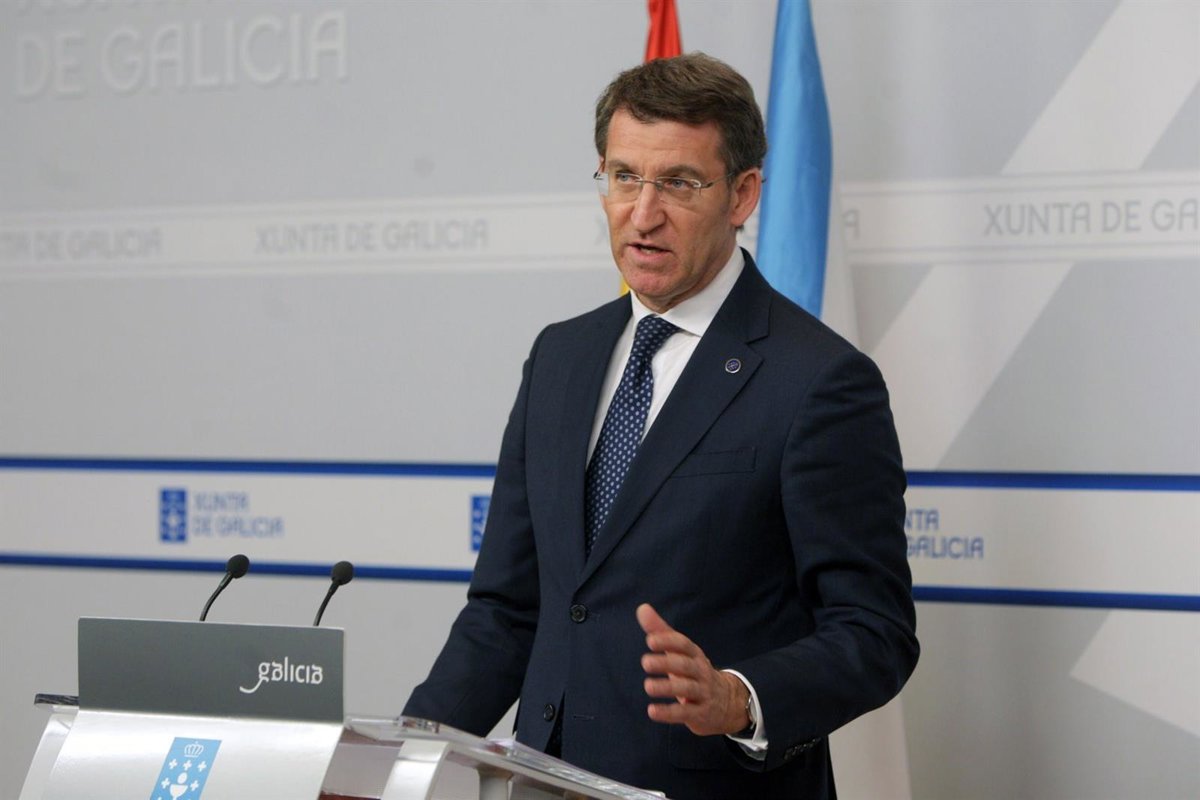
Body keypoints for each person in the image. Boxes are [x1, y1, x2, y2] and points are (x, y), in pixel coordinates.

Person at [404, 53, 918, 800]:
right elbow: (508, 611)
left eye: (678, 183)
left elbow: (874, 632)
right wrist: (402, 756)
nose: (643, 214)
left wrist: (740, 697)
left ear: (742, 195)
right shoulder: (560, 357)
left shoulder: (820, 380)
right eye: (623, 177)